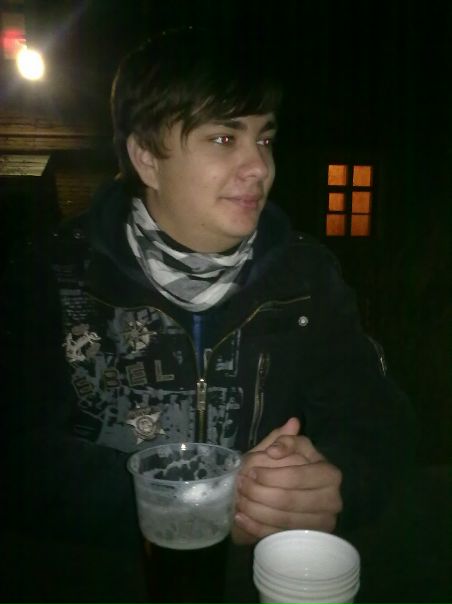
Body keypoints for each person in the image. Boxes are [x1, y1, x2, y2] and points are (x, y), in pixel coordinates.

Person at [1, 26, 414, 602]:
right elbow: (16, 455)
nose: (259, 167)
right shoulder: (49, 273)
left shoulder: (307, 277)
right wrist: (198, 501)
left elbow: (380, 424)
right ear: (146, 157)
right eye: (224, 138)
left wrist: (335, 481)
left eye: (264, 139)